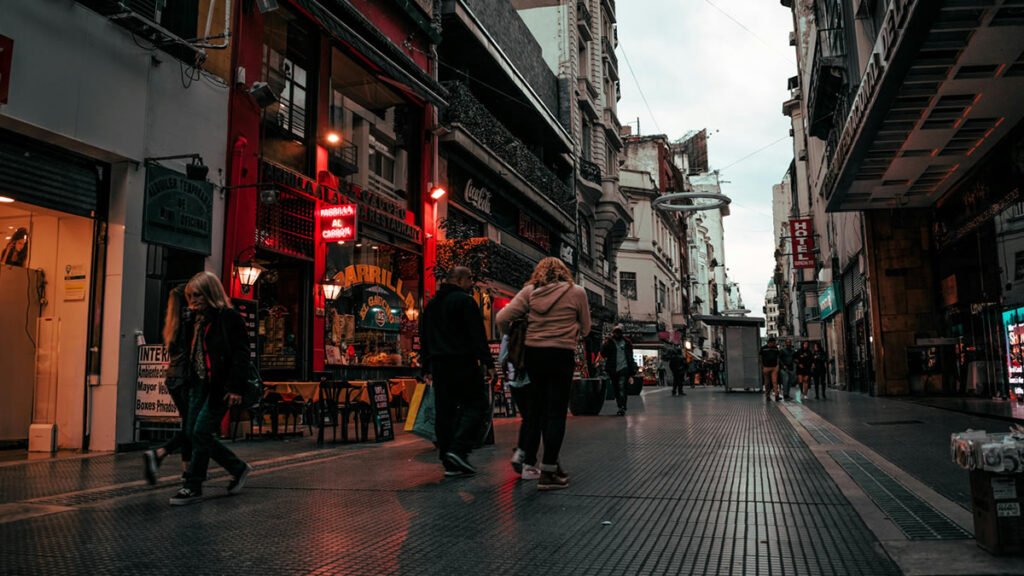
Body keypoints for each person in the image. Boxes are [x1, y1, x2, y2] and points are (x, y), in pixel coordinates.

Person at [496, 257, 591, 491]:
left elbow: (501, 318)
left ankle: (543, 466)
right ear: (564, 272)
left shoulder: (530, 291)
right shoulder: (577, 292)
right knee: (556, 413)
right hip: (561, 355)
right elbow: (587, 328)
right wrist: (573, 329)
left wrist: (515, 331)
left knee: (537, 410)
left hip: (533, 356)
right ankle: (549, 471)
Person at [169, 272, 253, 505]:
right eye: (190, 296)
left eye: (197, 295)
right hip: (198, 384)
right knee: (192, 432)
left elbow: (241, 354)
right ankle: (237, 468)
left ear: (210, 293)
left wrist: (235, 387)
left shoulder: (228, 318)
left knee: (200, 431)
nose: (193, 301)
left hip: (220, 386)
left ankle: (193, 485)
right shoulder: (194, 321)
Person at [419, 266, 494, 478]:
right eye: (470, 278)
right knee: (478, 405)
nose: (472, 283)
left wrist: (426, 365)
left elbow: (424, 337)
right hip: (463, 362)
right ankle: (458, 449)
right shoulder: (465, 301)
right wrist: (488, 362)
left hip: (440, 365)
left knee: (445, 411)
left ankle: (448, 460)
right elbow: (476, 335)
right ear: (460, 280)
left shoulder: (431, 305)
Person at [143, 286, 194, 484]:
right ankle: (159, 454)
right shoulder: (188, 320)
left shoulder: (172, 323)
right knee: (192, 426)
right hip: (185, 378)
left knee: (188, 424)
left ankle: (187, 468)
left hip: (172, 377)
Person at [497, 333, 540, 481]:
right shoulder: (534, 329)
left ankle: (521, 452)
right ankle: (528, 463)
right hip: (530, 380)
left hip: (514, 381)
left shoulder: (509, 333)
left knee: (527, 419)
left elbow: (501, 357)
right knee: (534, 420)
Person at [600, 324, 637, 417]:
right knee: (617, 388)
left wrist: (632, 370)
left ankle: (622, 407)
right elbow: (603, 354)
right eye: (615, 332)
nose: (617, 334)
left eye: (618, 332)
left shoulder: (627, 343)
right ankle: (620, 405)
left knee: (622, 387)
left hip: (624, 368)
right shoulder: (610, 342)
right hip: (613, 369)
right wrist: (606, 342)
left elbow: (630, 357)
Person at [760, 337, 781, 401]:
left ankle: (776, 395)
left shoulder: (775, 348)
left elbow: (778, 357)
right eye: (773, 343)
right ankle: (767, 396)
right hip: (766, 367)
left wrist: (777, 365)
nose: (774, 344)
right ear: (770, 342)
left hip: (774, 367)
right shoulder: (763, 348)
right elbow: (760, 357)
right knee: (767, 383)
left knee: (775, 382)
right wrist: (762, 366)